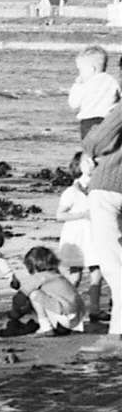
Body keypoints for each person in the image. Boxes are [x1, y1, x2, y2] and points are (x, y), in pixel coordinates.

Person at [80, 100, 122, 346]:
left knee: (113, 266)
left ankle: (117, 332)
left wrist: (90, 150)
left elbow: (94, 141)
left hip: (110, 186)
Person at [54, 154, 104, 321]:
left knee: (97, 272)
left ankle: (95, 310)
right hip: (77, 238)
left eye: (93, 161)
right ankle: (65, 307)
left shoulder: (98, 188)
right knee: (75, 276)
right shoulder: (71, 192)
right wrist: (83, 214)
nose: (92, 164)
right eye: (87, 161)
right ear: (78, 166)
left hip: (94, 235)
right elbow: (59, 215)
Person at [4, 246, 85, 336]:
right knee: (46, 299)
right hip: (78, 318)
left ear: (32, 266)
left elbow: (19, 297)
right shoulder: (58, 276)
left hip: (65, 316)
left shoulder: (39, 277)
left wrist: (13, 314)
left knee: (34, 294)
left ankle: (46, 328)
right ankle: (60, 327)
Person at [68, 45, 121, 140]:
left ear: (92, 69)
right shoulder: (112, 81)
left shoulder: (85, 84)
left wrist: (77, 85)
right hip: (109, 122)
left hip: (88, 123)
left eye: (80, 70)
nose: (80, 74)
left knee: (90, 150)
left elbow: (73, 104)